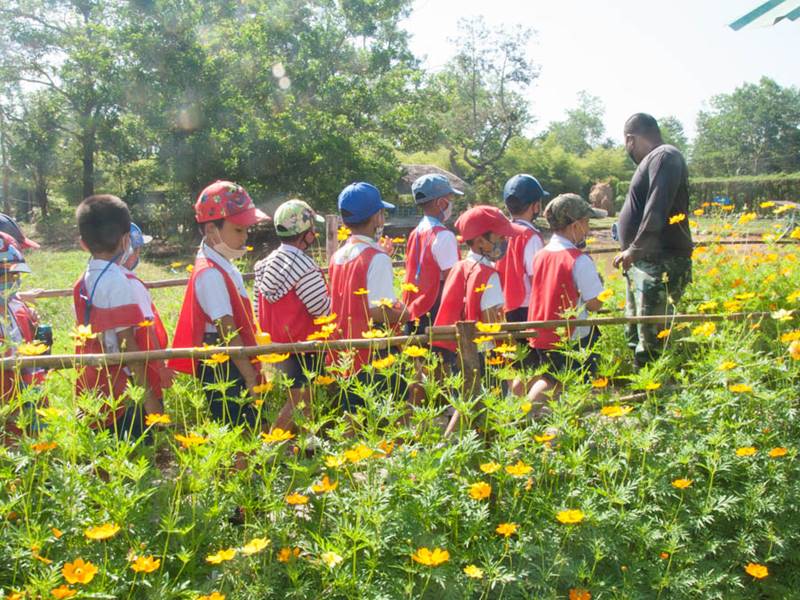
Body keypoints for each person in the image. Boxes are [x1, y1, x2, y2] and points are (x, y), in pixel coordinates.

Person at [169, 180, 269, 428]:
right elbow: (227, 329)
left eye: (247, 230)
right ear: (212, 230)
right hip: (225, 363)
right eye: (238, 230)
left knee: (248, 426)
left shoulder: (221, 262)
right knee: (237, 426)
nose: (245, 236)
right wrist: (249, 377)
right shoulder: (210, 273)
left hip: (234, 357)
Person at [433, 205, 528, 434]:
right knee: (488, 412)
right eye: (500, 236)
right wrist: (512, 353)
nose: (505, 241)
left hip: (457, 352)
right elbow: (491, 324)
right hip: (484, 356)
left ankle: (448, 446)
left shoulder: (459, 267)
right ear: (480, 242)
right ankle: (453, 445)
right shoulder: (488, 275)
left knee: (465, 405)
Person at [72, 195, 160, 437]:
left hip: (94, 382)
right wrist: (149, 398)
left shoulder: (83, 280)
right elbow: (127, 344)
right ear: (125, 240)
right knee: (133, 448)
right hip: (123, 391)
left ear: (83, 243)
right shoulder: (118, 281)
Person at [613, 113, 693, 368]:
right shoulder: (656, 159)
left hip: (660, 264)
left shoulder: (664, 156)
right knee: (636, 338)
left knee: (652, 344)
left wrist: (634, 249)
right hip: (644, 263)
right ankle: (641, 387)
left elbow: (657, 209)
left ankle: (656, 392)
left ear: (630, 139)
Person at [524, 194, 607, 413]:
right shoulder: (578, 260)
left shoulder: (541, 255)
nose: (588, 229)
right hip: (571, 335)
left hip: (543, 329)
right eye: (586, 222)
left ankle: (526, 418)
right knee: (560, 380)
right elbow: (594, 304)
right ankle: (524, 418)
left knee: (550, 378)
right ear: (575, 225)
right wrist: (600, 285)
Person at [254, 199, 330, 431]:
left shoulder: (264, 265)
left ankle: (303, 446)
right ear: (306, 234)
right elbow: (321, 309)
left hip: (277, 345)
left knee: (303, 402)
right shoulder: (305, 267)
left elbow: (257, 308)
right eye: (312, 229)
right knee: (300, 401)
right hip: (304, 345)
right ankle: (271, 445)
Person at [329, 182, 406, 373]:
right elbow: (377, 311)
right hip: (372, 354)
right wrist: (405, 313)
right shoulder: (377, 257)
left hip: (344, 353)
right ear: (377, 217)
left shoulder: (337, 256)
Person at [120, 223, 173, 415]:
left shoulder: (101, 280)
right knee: (150, 419)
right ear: (129, 251)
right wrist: (161, 367)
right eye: (137, 249)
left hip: (119, 374)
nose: (139, 254)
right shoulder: (132, 285)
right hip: (145, 367)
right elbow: (148, 329)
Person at [0, 233, 47, 438]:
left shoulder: (16, 305)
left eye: (16, 275)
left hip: (28, 389)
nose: (13, 281)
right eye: (5, 275)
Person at [402, 174, 462, 334]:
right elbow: (453, 280)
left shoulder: (415, 233)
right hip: (434, 310)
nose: (451, 203)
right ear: (441, 203)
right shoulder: (444, 236)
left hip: (413, 308)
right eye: (450, 198)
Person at [496, 174, 548, 323]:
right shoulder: (530, 236)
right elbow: (536, 279)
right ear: (535, 206)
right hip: (526, 307)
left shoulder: (500, 233)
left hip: (503, 304)